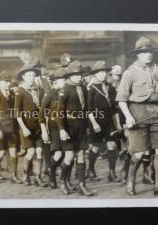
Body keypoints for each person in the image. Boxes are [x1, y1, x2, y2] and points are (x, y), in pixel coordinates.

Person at [116, 36, 158, 196]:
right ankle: (130, 180)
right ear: (138, 54)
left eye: (150, 51)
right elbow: (121, 100)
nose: (148, 54)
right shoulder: (130, 72)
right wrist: (128, 117)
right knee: (139, 153)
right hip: (137, 113)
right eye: (144, 52)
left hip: (157, 113)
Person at [57, 60, 94, 196]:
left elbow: (86, 109)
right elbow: (60, 111)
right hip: (69, 128)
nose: (79, 77)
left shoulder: (83, 88)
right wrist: (61, 129)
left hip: (81, 127)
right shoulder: (65, 89)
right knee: (69, 156)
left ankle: (82, 185)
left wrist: (88, 126)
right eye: (76, 75)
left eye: (81, 74)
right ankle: (63, 180)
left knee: (81, 155)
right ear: (70, 75)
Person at [86, 61, 122, 183]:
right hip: (96, 120)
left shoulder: (110, 88)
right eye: (99, 72)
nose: (102, 74)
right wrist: (94, 124)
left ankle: (112, 173)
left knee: (112, 145)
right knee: (96, 147)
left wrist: (118, 123)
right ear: (95, 74)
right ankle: (90, 169)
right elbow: (88, 109)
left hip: (109, 121)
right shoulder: (91, 89)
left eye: (104, 72)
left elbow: (115, 108)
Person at [14, 64, 47, 187]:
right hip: (26, 127)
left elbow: (44, 110)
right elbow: (17, 113)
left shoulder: (40, 90)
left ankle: (38, 177)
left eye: (34, 75)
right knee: (31, 151)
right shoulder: (20, 92)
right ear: (24, 77)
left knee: (39, 151)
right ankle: (25, 174)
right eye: (29, 76)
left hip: (38, 126)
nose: (32, 78)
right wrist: (23, 128)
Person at [0, 71, 22, 184]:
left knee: (13, 152)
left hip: (12, 129)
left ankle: (14, 175)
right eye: (5, 82)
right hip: (1, 129)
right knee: (0, 152)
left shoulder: (13, 95)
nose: (7, 84)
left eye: (9, 82)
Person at [39, 67, 67, 188]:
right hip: (54, 127)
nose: (65, 82)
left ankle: (64, 179)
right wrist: (44, 131)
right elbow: (41, 114)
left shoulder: (65, 93)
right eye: (62, 80)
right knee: (58, 154)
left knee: (67, 154)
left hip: (65, 127)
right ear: (55, 81)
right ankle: (51, 172)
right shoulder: (49, 95)